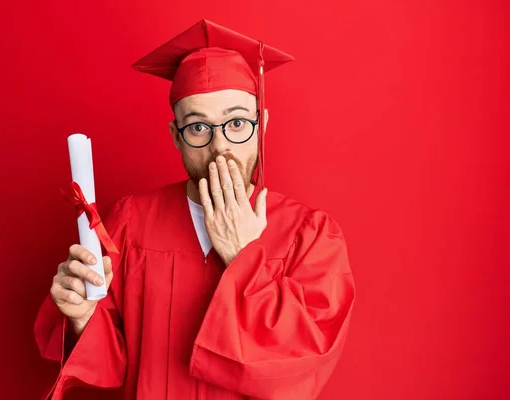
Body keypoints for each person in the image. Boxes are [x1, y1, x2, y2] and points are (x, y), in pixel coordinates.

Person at [34, 19, 356, 400]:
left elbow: (302, 368)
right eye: (198, 127)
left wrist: (243, 257)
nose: (220, 146)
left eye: (237, 123)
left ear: (262, 125)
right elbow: (110, 362)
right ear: (176, 136)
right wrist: (82, 316)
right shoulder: (130, 223)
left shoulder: (311, 234)